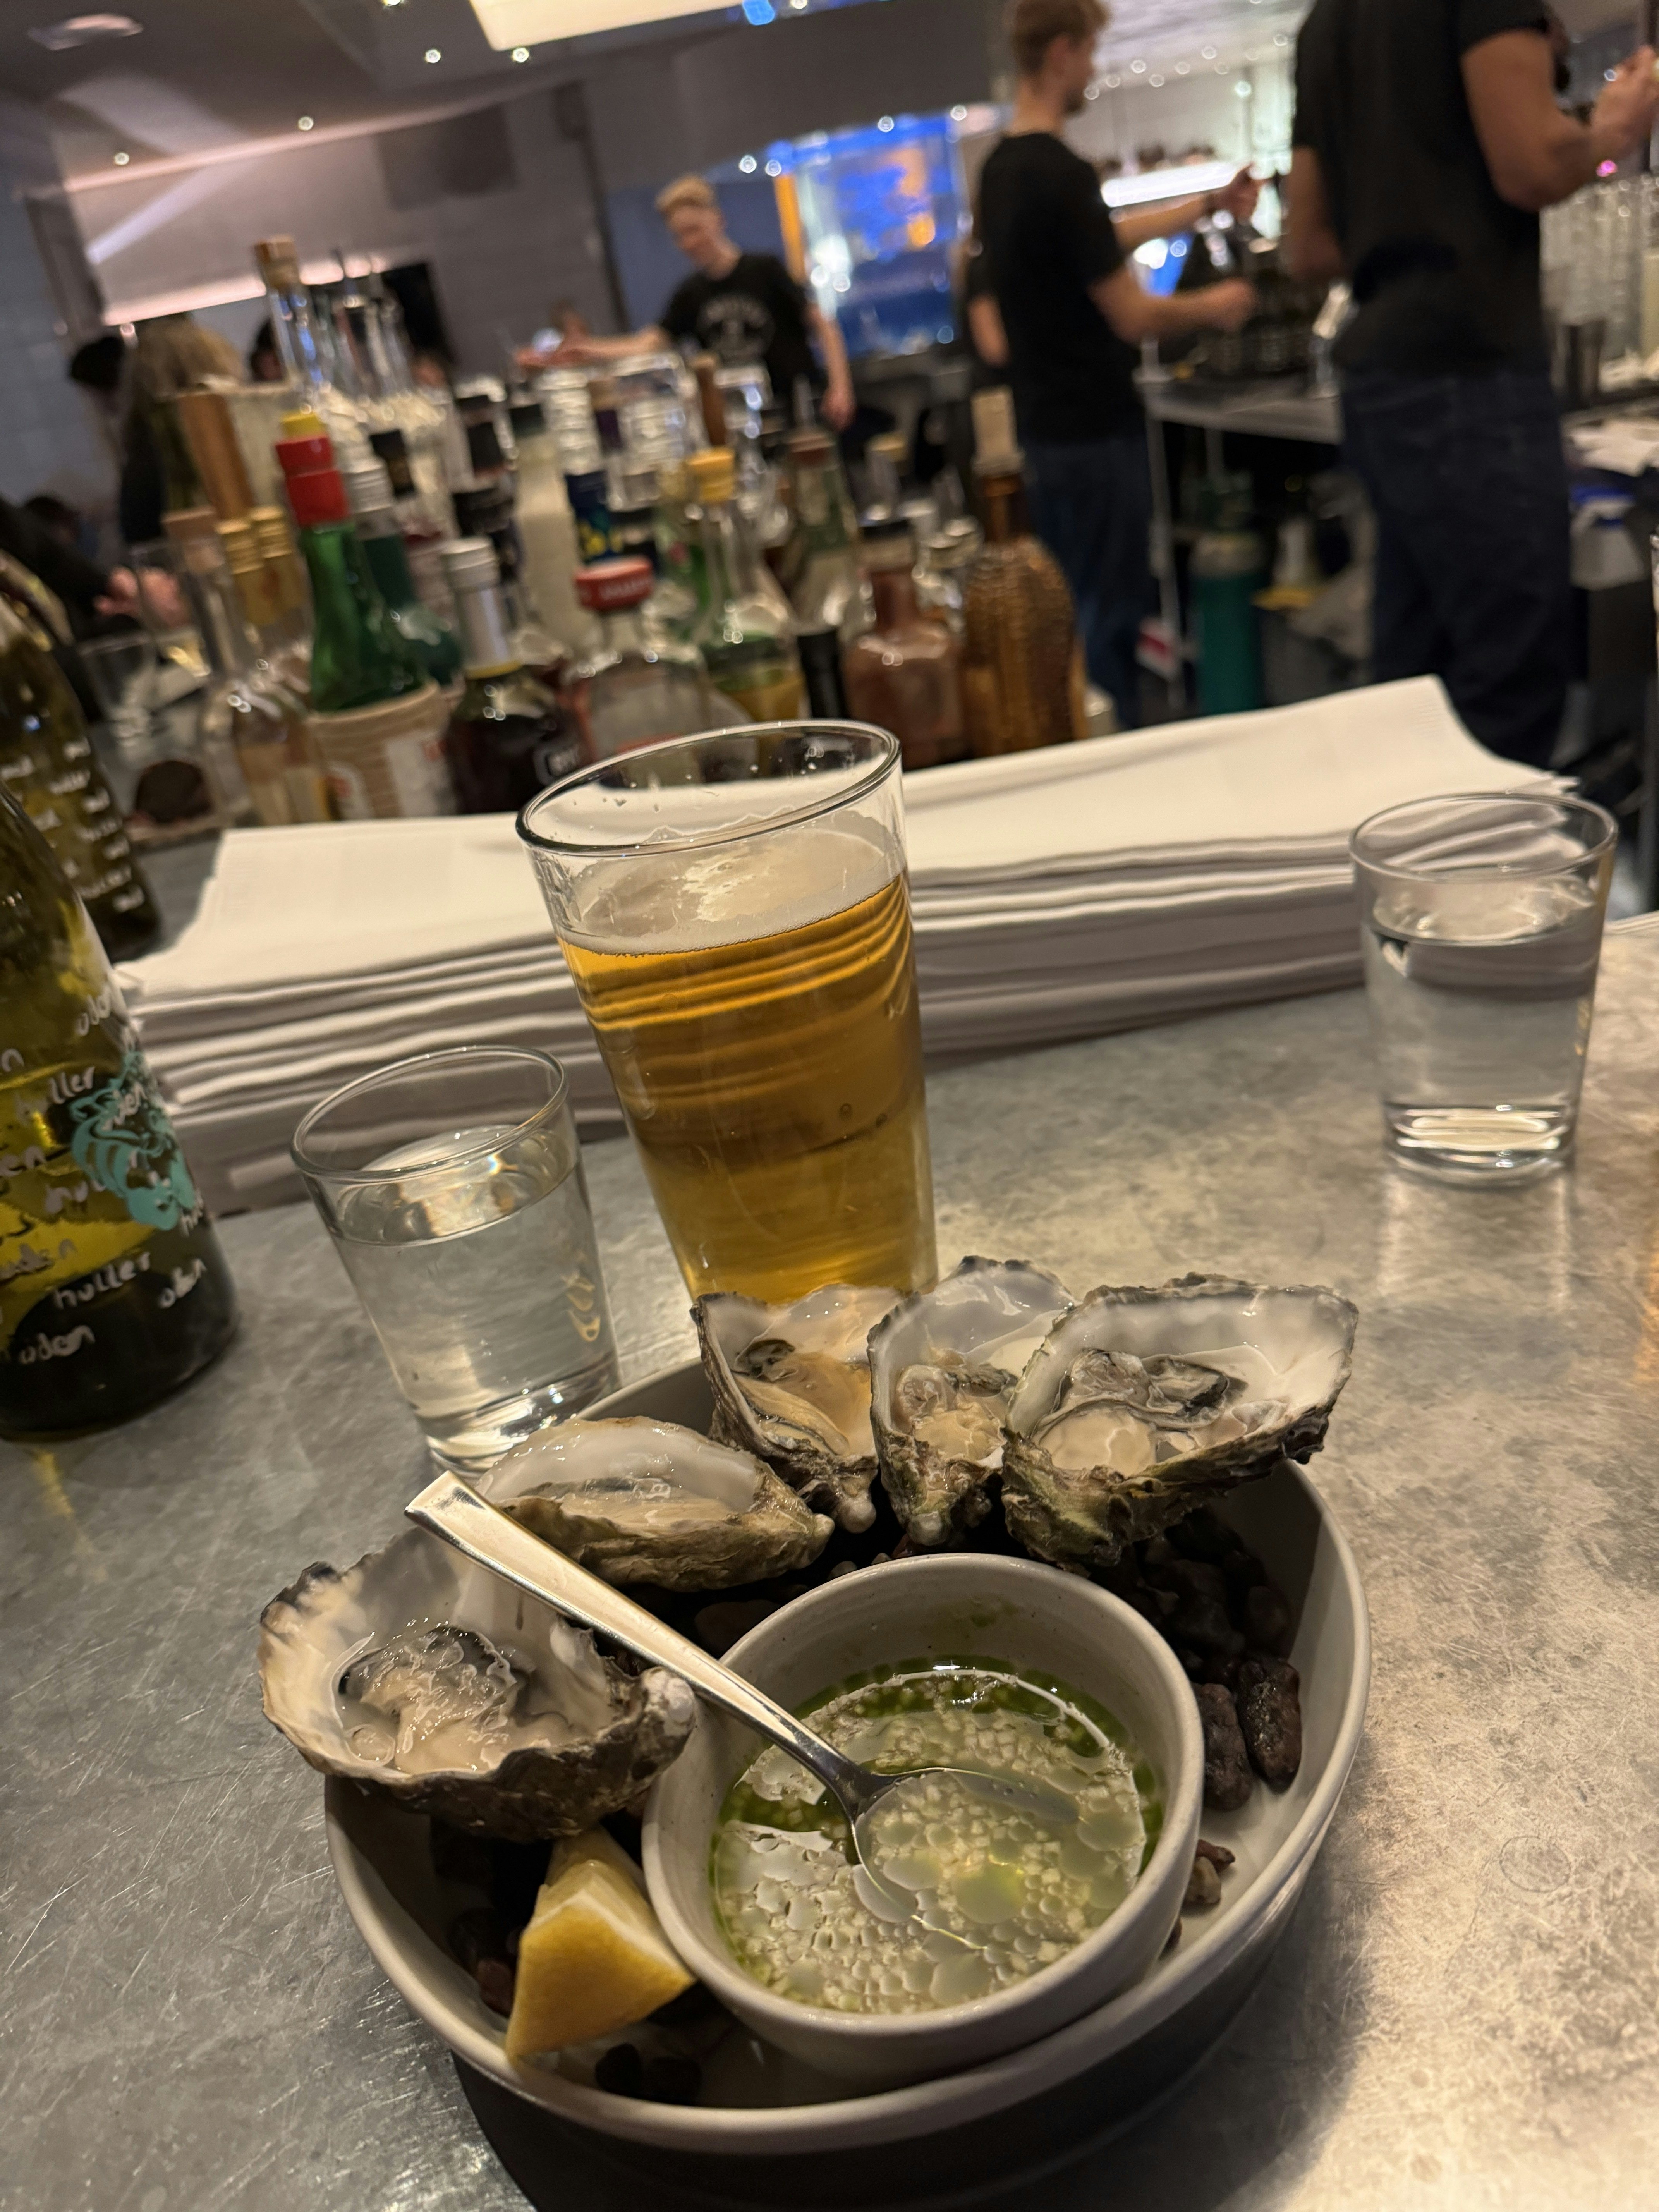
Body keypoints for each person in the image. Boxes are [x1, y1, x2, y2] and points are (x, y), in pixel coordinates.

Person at [1289, 2, 1659, 767]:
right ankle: (1481, 884)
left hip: (1384, 379)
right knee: (1510, 684)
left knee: (1412, 686)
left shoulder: (1327, 25)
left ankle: (1403, 877)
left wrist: (1399, 213)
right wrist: (1612, 130)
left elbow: (1307, 243)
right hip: (1469, 372)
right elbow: (1530, 164)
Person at [979, 0, 1257, 725]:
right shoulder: (1061, 171)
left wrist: (1200, 207)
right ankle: (1120, 767)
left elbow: (1094, 239)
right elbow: (1131, 316)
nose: (1092, 73)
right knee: (1110, 618)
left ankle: (1085, 752)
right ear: (1063, 51)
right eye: (1091, 54)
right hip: (1098, 433)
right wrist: (1216, 303)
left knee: (1071, 618)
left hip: (1046, 435)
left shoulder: (1002, 171)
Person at [532, 175, 857, 431]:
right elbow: (649, 344)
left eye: (694, 230)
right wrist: (589, 350)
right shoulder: (691, 294)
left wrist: (840, 387)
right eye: (680, 235)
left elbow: (823, 325)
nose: (689, 242)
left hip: (799, 409)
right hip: (741, 420)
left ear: (716, 220)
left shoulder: (766, 271)